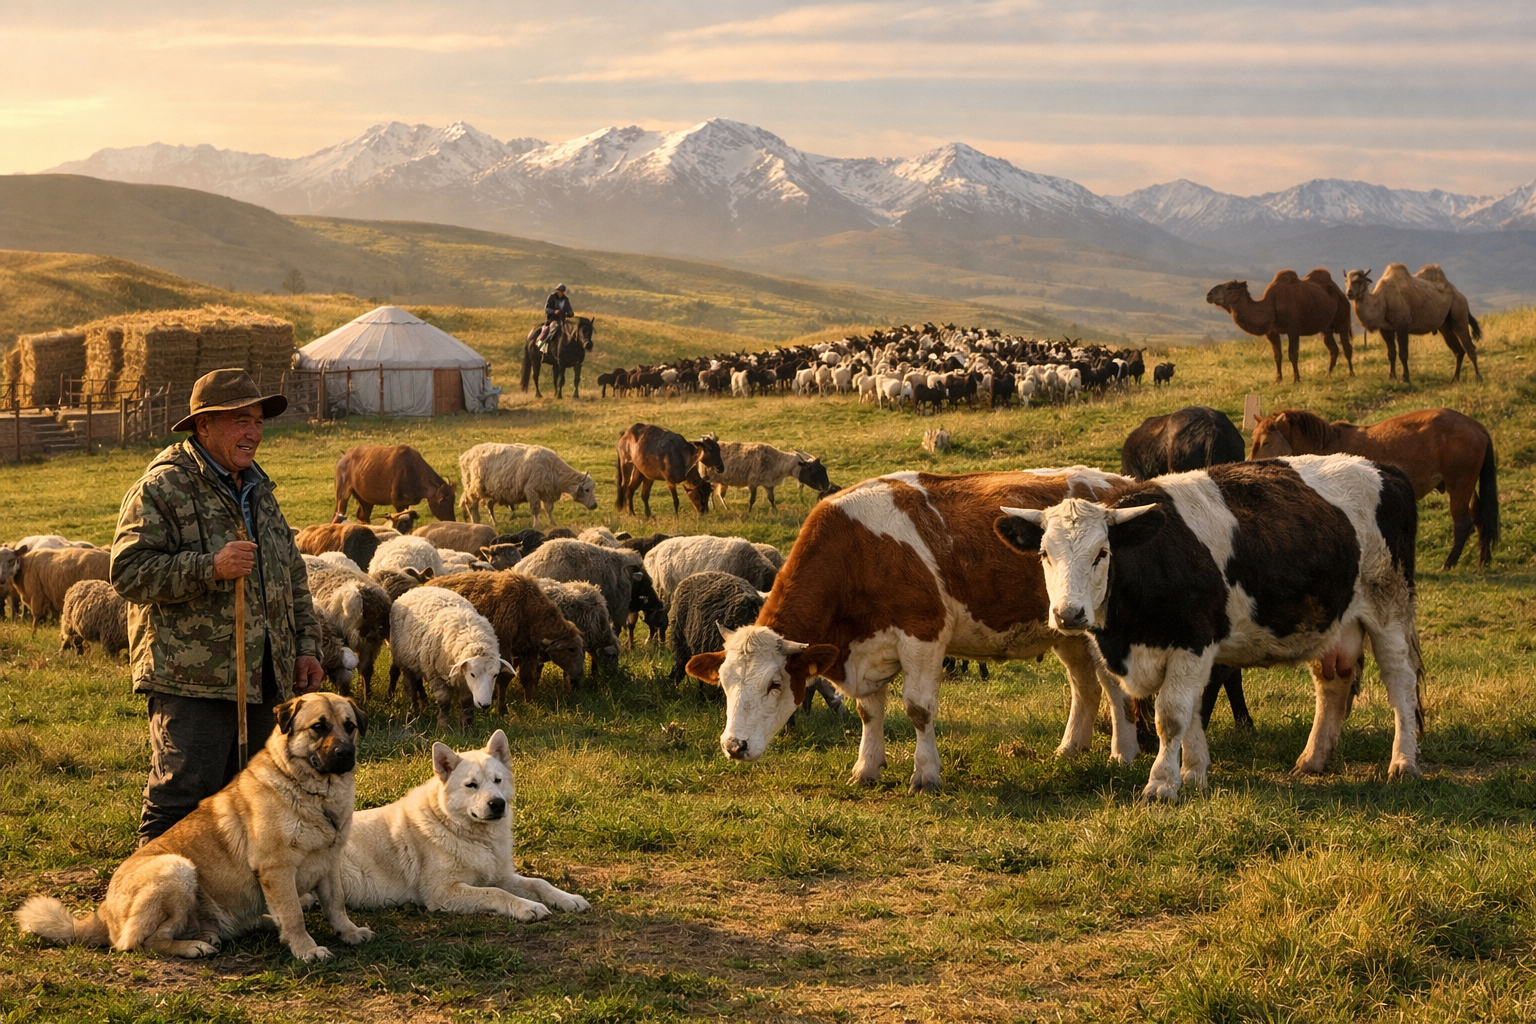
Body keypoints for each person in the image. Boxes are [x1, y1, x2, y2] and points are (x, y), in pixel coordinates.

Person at [111, 368, 324, 845]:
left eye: (258, 421)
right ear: (203, 425)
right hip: (194, 680)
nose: (253, 432)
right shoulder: (164, 488)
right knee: (182, 798)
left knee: (255, 799)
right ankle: (150, 889)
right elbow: (127, 571)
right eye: (239, 420)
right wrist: (210, 567)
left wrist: (306, 648)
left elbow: (291, 576)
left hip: (264, 678)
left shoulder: (259, 493)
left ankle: (231, 892)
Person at [540, 283, 573, 350]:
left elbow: (570, 310)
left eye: (562, 291)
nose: (560, 292)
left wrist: (570, 313)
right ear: (557, 290)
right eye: (559, 290)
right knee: (554, 327)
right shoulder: (552, 297)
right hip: (552, 319)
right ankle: (545, 343)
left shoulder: (566, 300)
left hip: (562, 320)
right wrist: (554, 311)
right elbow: (546, 309)